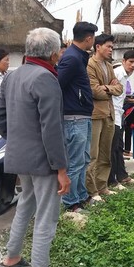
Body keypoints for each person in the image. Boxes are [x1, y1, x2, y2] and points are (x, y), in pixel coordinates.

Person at [0, 27, 70, 267]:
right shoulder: (45, 78)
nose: (60, 54)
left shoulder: (12, 76)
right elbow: (52, 127)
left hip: (19, 155)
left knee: (26, 203)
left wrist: (15, 139)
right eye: (59, 50)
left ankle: (12, 256)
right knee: (48, 212)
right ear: (52, 53)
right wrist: (60, 168)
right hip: (43, 158)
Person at [56, 21, 98, 212]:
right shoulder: (72, 58)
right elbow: (58, 85)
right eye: (93, 38)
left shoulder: (80, 56)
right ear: (88, 38)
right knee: (75, 161)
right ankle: (71, 202)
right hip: (73, 116)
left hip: (83, 115)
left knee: (84, 158)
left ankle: (81, 195)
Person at [86, 34, 123, 197]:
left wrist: (106, 88)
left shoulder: (108, 66)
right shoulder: (89, 65)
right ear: (98, 46)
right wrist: (110, 89)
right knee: (92, 154)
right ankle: (91, 190)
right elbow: (93, 90)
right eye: (108, 46)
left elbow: (120, 88)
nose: (111, 50)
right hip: (95, 114)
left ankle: (102, 186)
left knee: (105, 153)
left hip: (109, 113)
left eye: (112, 47)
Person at [109, 50, 134, 190]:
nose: (133, 65)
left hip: (118, 113)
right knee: (112, 148)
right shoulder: (118, 74)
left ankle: (122, 175)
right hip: (112, 114)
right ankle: (112, 180)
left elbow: (119, 96)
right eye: (130, 62)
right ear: (123, 61)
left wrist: (131, 101)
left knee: (119, 147)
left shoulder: (125, 76)